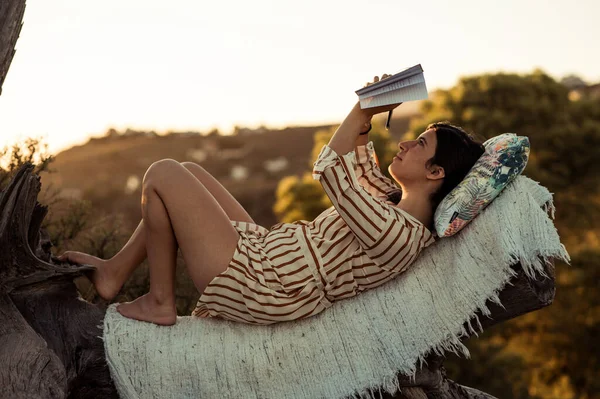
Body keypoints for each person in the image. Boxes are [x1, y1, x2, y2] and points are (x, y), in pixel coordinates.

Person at [55, 75, 485, 326]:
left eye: (422, 143)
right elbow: (353, 160)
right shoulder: (392, 202)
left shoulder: (399, 235)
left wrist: (360, 110)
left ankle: (161, 301)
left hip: (268, 284)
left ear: (436, 173)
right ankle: (114, 272)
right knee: (188, 171)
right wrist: (368, 112)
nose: (407, 142)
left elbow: (330, 171)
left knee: (162, 173)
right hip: (270, 254)